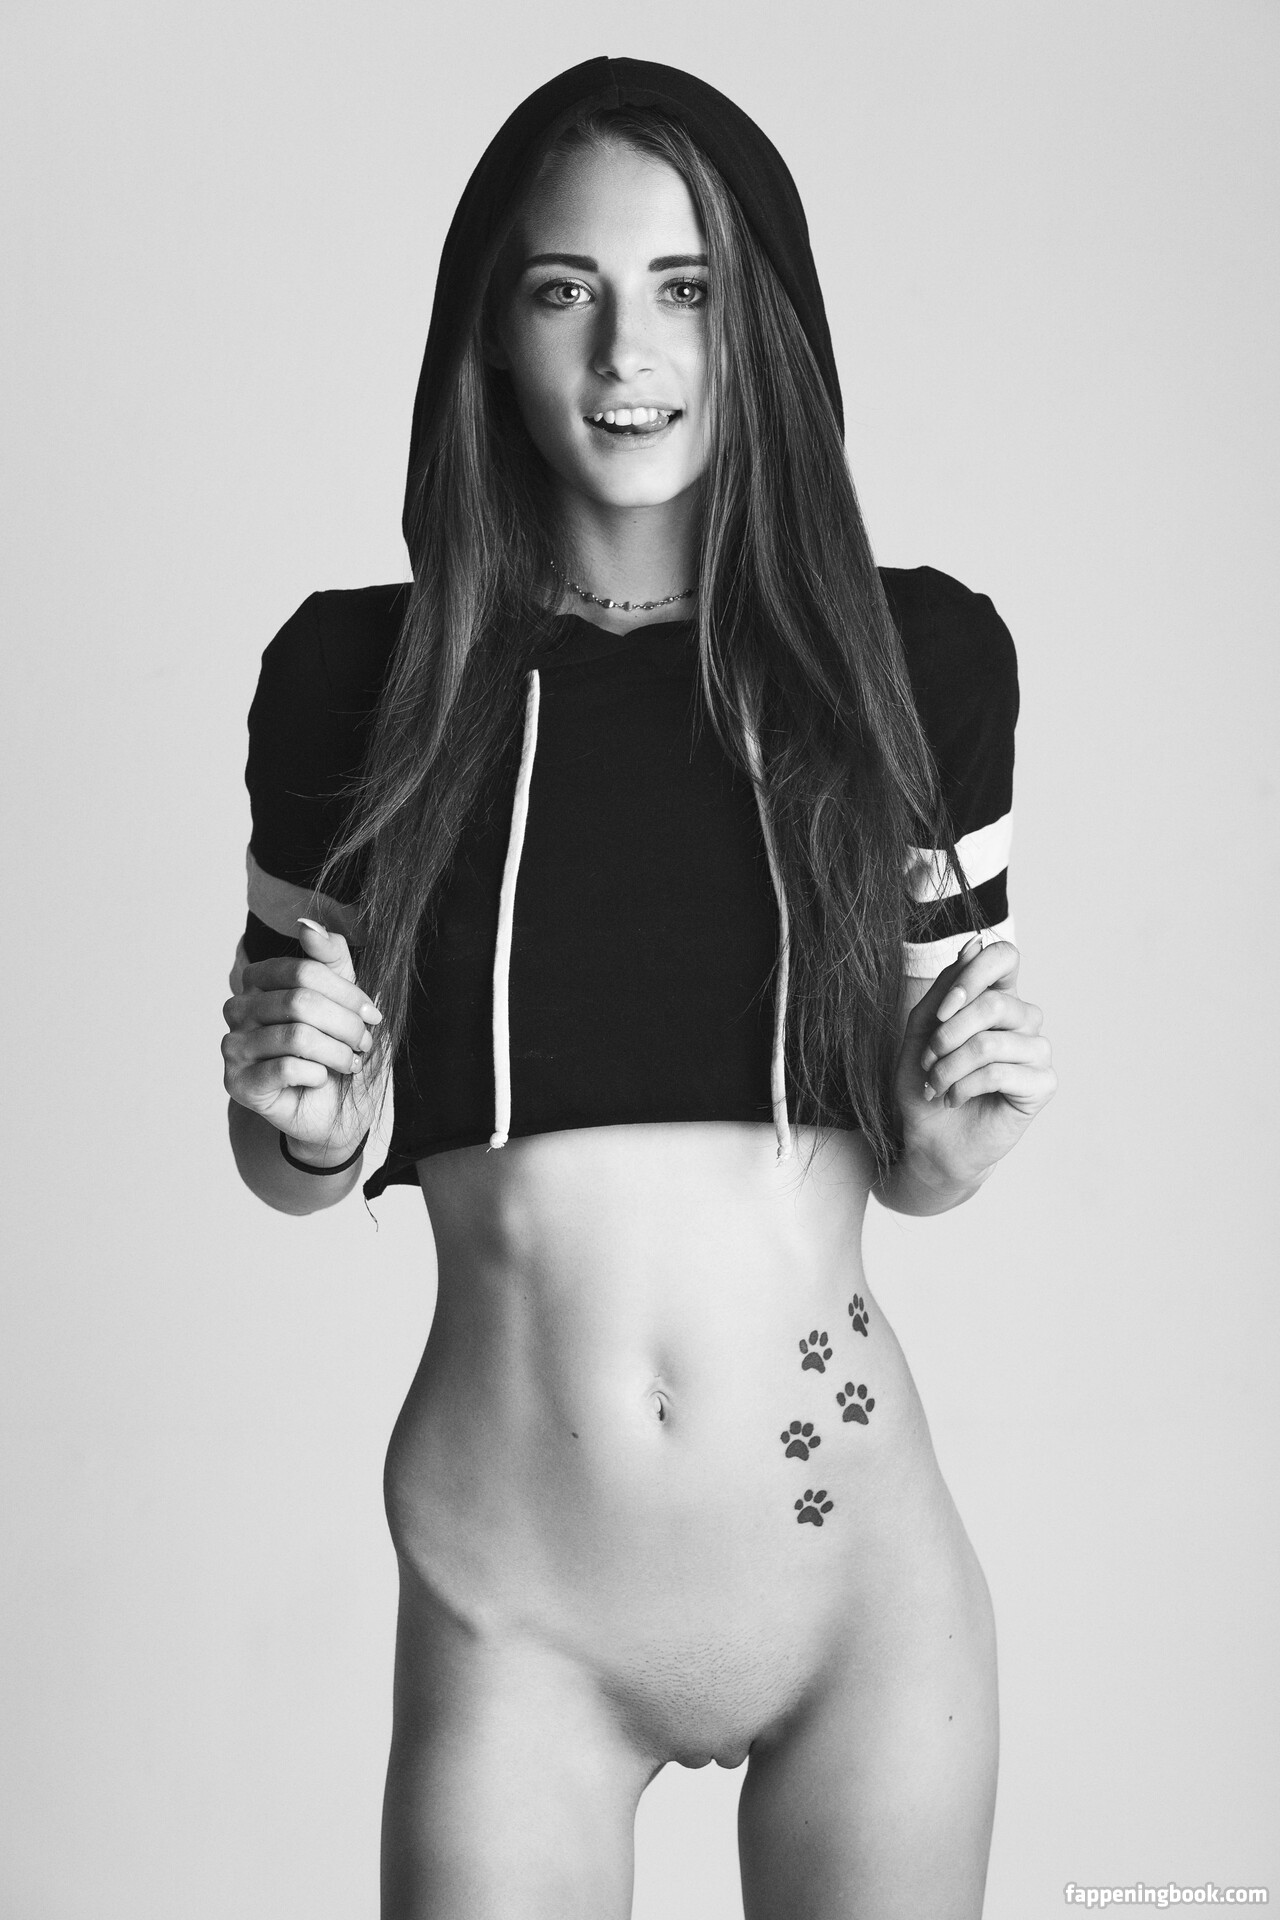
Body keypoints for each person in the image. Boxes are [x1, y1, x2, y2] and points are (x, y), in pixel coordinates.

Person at [221, 56, 1056, 1920]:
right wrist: (308, 1120)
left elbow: (917, 1168)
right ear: (490, 331)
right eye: (564, 289)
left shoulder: (914, 668)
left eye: (686, 288)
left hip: (860, 1599)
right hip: (513, 1611)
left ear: (760, 323)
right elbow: (289, 1157)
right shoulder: (356, 689)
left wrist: (955, 1139)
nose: (629, 352)